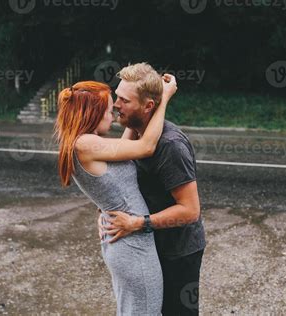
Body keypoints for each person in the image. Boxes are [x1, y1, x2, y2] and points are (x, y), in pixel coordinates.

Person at [54, 75, 178, 315]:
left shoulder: (85, 142)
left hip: (125, 241)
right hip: (133, 246)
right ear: (92, 113)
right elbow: (146, 147)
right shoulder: (86, 144)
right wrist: (163, 99)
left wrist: (141, 107)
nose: (113, 116)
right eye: (109, 111)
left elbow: (124, 153)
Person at [99, 62, 206, 315]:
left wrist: (138, 224)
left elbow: (190, 211)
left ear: (148, 107)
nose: (115, 105)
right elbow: (117, 171)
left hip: (178, 252)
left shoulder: (170, 146)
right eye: (117, 97)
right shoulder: (136, 134)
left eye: (124, 100)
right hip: (150, 244)